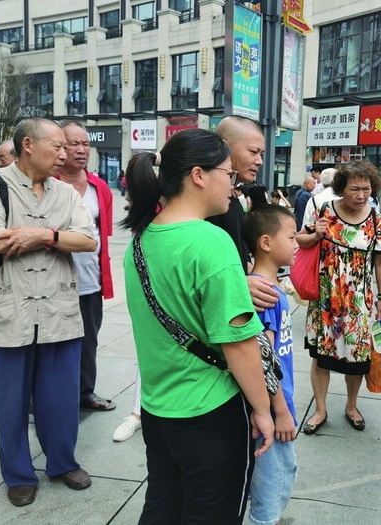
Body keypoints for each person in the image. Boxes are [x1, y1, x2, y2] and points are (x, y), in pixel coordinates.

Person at [121, 128, 275, 524]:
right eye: (227, 172)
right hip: (210, 414)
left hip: (158, 410)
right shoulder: (211, 242)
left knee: (162, 507)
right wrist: (262, 409)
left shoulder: (140, 240)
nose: (233, 183)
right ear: (198, 175)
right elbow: (238, 343)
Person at [0, 117, 97, 506]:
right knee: (10, 402)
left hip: (59, 311)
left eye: (68, 147)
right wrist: (59, 237)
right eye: (59, 147)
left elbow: (88, 240)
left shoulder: (65, 193)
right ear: (28, 144)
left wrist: (43, 234)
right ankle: (17, 473)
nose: (66, 155)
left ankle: (62, 462)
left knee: (61, 398)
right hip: (6, 309)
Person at [297, 161, 381, 434]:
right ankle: (320, 410)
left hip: (358, 302)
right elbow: (299, 240)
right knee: (320, 356)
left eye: (367, 189)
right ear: (341, 189)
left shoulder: (375, 219)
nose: (362, 195)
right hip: (325, 299)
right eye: (355, 189)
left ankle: (351, 405)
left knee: (357, 358)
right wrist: (316, 234)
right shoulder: (322, 209)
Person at [242, 204, 298, 525]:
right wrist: (280, 410)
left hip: (280, 404)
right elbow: (264, 360)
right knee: (271, 488)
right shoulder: (265, 295)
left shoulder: (272, 288)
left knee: (279, 477)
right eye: (290, 236)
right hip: (274, 411)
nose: (296, 243)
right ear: (265, 242)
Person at [58, 120, 116, 412]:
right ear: (59, 146)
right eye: (73, 144)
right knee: (52, 343)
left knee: (88, 340)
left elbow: (102, 234)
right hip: (54, 279)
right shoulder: (49, 182)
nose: (81, 150)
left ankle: (85, 393)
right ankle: (47, 396)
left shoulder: (100, 187)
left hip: (90, 278)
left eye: (86, 144)